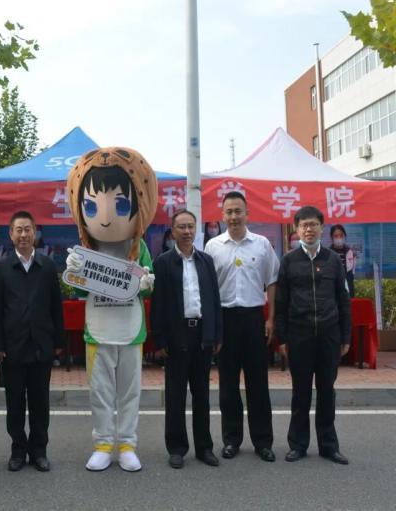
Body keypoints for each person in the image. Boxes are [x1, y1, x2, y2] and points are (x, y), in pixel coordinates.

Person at [65, 147, 157, 472]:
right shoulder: (87, 250)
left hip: (131, 331)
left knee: (130, 392)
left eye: (120, 205)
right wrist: (74, 274)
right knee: (100, 392)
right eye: (91, 206)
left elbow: (149, 284)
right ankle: (103, 443)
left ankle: (128, 443)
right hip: (98, 330)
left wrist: (146, 282)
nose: (104, 218)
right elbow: (78, 290)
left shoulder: (137, 247)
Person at [204, 191, 279, 463]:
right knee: (228, 385)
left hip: (254, 318)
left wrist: (271, 319)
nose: (234, 216)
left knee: (258, 383)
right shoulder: (212, 247)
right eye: (229, 212)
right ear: (222, 215)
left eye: (238, 211)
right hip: (225, 320)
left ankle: (263, 442)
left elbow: (272, 281)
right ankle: (231, 440)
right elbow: (209, 289)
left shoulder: (262, 245)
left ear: (247, 213)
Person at [276, 206, 352, 465]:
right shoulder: (288, 261)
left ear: (322, 228)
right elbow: (281, 302)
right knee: (300, 392)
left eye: (313, 225)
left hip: (329, 335)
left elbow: (343, 300)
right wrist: (282, 338)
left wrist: (345, 336)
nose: (308, 229)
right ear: (297, 230)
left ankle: (329, 446)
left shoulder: (333, 260)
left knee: (327, 391)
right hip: (299, 336)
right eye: (304, 225)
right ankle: (298, 445)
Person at [0, 211, 64, 472]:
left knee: (40, 402)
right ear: (11, 235)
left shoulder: (47, 266)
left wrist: (58, 341)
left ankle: (39, 450)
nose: (23, 235)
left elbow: (56, 307)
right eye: (18, 230)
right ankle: (18, 450)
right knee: (15, 404)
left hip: (41, 345)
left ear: (35, 233)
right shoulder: (0, 269)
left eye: (28, 229)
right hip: (12, 347)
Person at [151, 210, 222, 469]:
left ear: (196, 230)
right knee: (176, 395)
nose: (187, 231)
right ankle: (177, 448)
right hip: (176, 335)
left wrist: (216, 334)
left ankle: (204, 448)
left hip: (202, 334)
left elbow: (214, 299)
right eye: (181, 227)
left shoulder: (206, 261)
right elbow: (157, 304)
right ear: (173, 231)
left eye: (191, 226)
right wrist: (160, 341)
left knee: (202, 395)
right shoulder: (163, 262)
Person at [329, 224, 356, 297]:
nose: (339, 238)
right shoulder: (328, 253)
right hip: (333, 286)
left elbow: (351, 271)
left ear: (345, 236)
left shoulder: (350, 252)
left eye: (341, 235)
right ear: (331, 238)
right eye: (336, 236)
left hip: (348, 284)